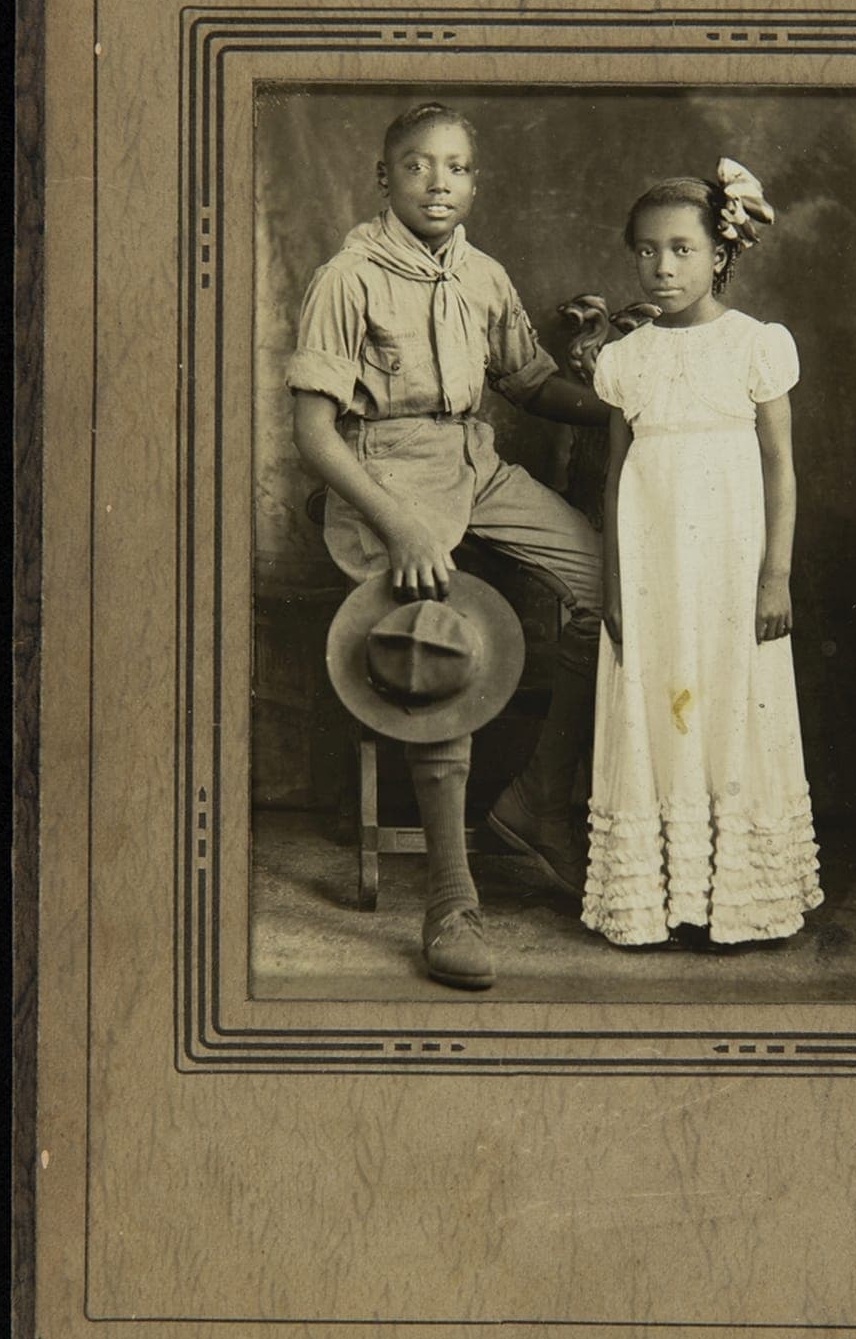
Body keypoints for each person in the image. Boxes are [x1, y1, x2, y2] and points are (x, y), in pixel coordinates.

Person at [287, 101, 609, 990]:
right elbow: (314, 437)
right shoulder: (347, 278)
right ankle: (449, 900)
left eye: (457, 167)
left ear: (475, 181)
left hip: (475, 463)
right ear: (384, 179)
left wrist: (627, 403)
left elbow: (532, 383)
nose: (439, 182)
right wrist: (399, 524)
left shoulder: (483, 276)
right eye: (419, 166)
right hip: (381, 478)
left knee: (608, 585)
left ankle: (535, 799)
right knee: (438, 642)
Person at [583, 159, 823, 947]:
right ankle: (663, 900)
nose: (663, 268)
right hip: (652, 573)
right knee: (658, 706)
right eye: (647, 252)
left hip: (730, 567)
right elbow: (617, 477)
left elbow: (779, 466)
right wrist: (615, 586)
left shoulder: (755, 345)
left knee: (731, 701)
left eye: (682, 250)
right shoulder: (625, 360)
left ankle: (739, 899)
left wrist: (775, 575)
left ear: (719, 254)